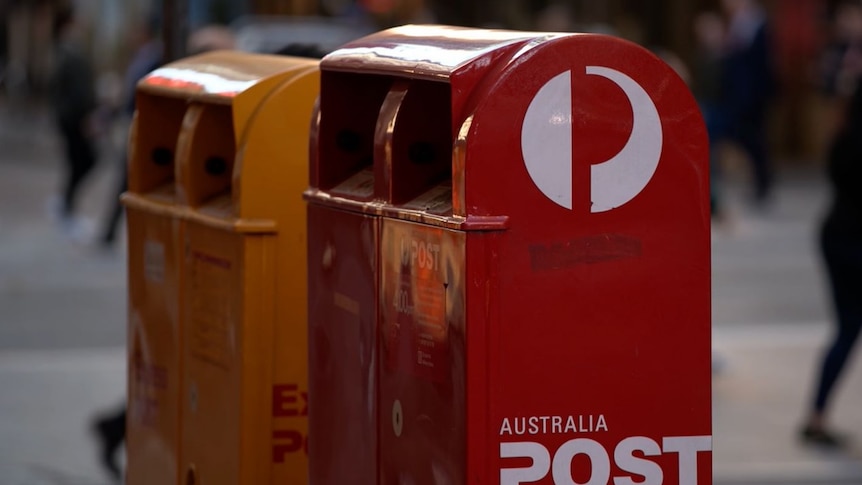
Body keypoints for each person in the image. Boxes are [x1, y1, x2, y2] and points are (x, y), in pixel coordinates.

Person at [799, 5, 862, 448]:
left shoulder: (845, 135)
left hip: (835, 232)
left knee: (846, 327)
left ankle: (817, 416)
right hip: (853, 238)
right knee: (848, 327)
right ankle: (816, 418)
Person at [49, 4, 99, 240]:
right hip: (75, 119)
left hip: (71, 117)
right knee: (84, 160)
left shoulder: (68, 50)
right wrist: (85, 116)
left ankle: (66, 204)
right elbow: (77, 90)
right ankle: (67, 207)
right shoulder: (70, 51)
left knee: (80, 162)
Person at [719, 0, 776, 206]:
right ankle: (760, 181)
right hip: (739, 93)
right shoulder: (737, 23)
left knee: (755, 137)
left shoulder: (755, 22)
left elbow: (760, 62)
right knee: (746, 136)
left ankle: (764, 181)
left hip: (752, 94)